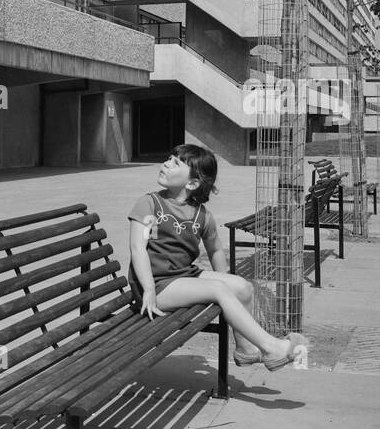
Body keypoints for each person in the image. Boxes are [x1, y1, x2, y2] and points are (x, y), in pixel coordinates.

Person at [128, 144, 308, 370]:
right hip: (155, 285)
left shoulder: (202, 216)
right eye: (169, 158)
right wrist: (149, 290)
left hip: (182, 276)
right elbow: (138, 248)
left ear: (192, 184)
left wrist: (226, 283)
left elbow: (215, 250)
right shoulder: (149, 204)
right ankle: (271, 347)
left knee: (242, 287)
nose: (166, 163)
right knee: (218, 290)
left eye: (175, 163)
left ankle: (246, 349)